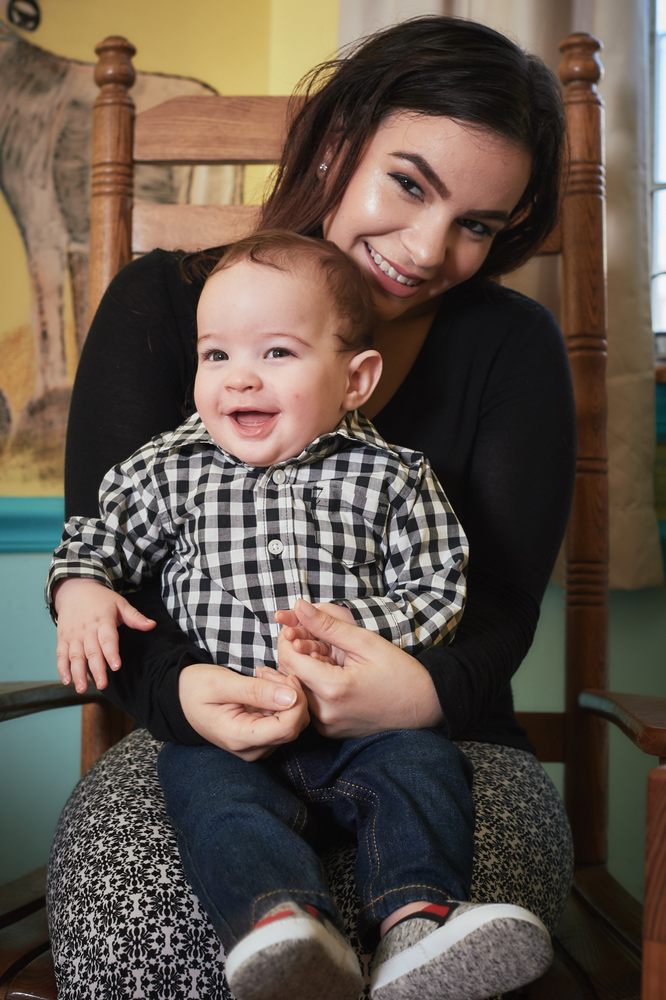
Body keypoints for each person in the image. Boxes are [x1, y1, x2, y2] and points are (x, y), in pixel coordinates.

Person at [47, 14, 576, 1000]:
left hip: (440, 733)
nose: (427, 249)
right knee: (150, 915)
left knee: (487, 927)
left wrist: (417, 691)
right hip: (201, 730)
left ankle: (420, 925)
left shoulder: (511, 344)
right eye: (409, 183)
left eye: (478, 225)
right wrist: (186, 693)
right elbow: (105, 564)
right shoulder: (166, 310)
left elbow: (498, 608)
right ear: (338, 144)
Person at [48, 230, 468, 703]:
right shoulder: (171, 471)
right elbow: (103, 539)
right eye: (217, 355)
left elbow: (437, 591)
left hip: (368, 717)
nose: (240, 378)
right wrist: (79, 587)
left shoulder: (396, 479)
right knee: (204, 778)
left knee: (423, 769)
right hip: (221, 722)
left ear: (355, 380)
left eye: (277, 352)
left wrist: (351, 625)